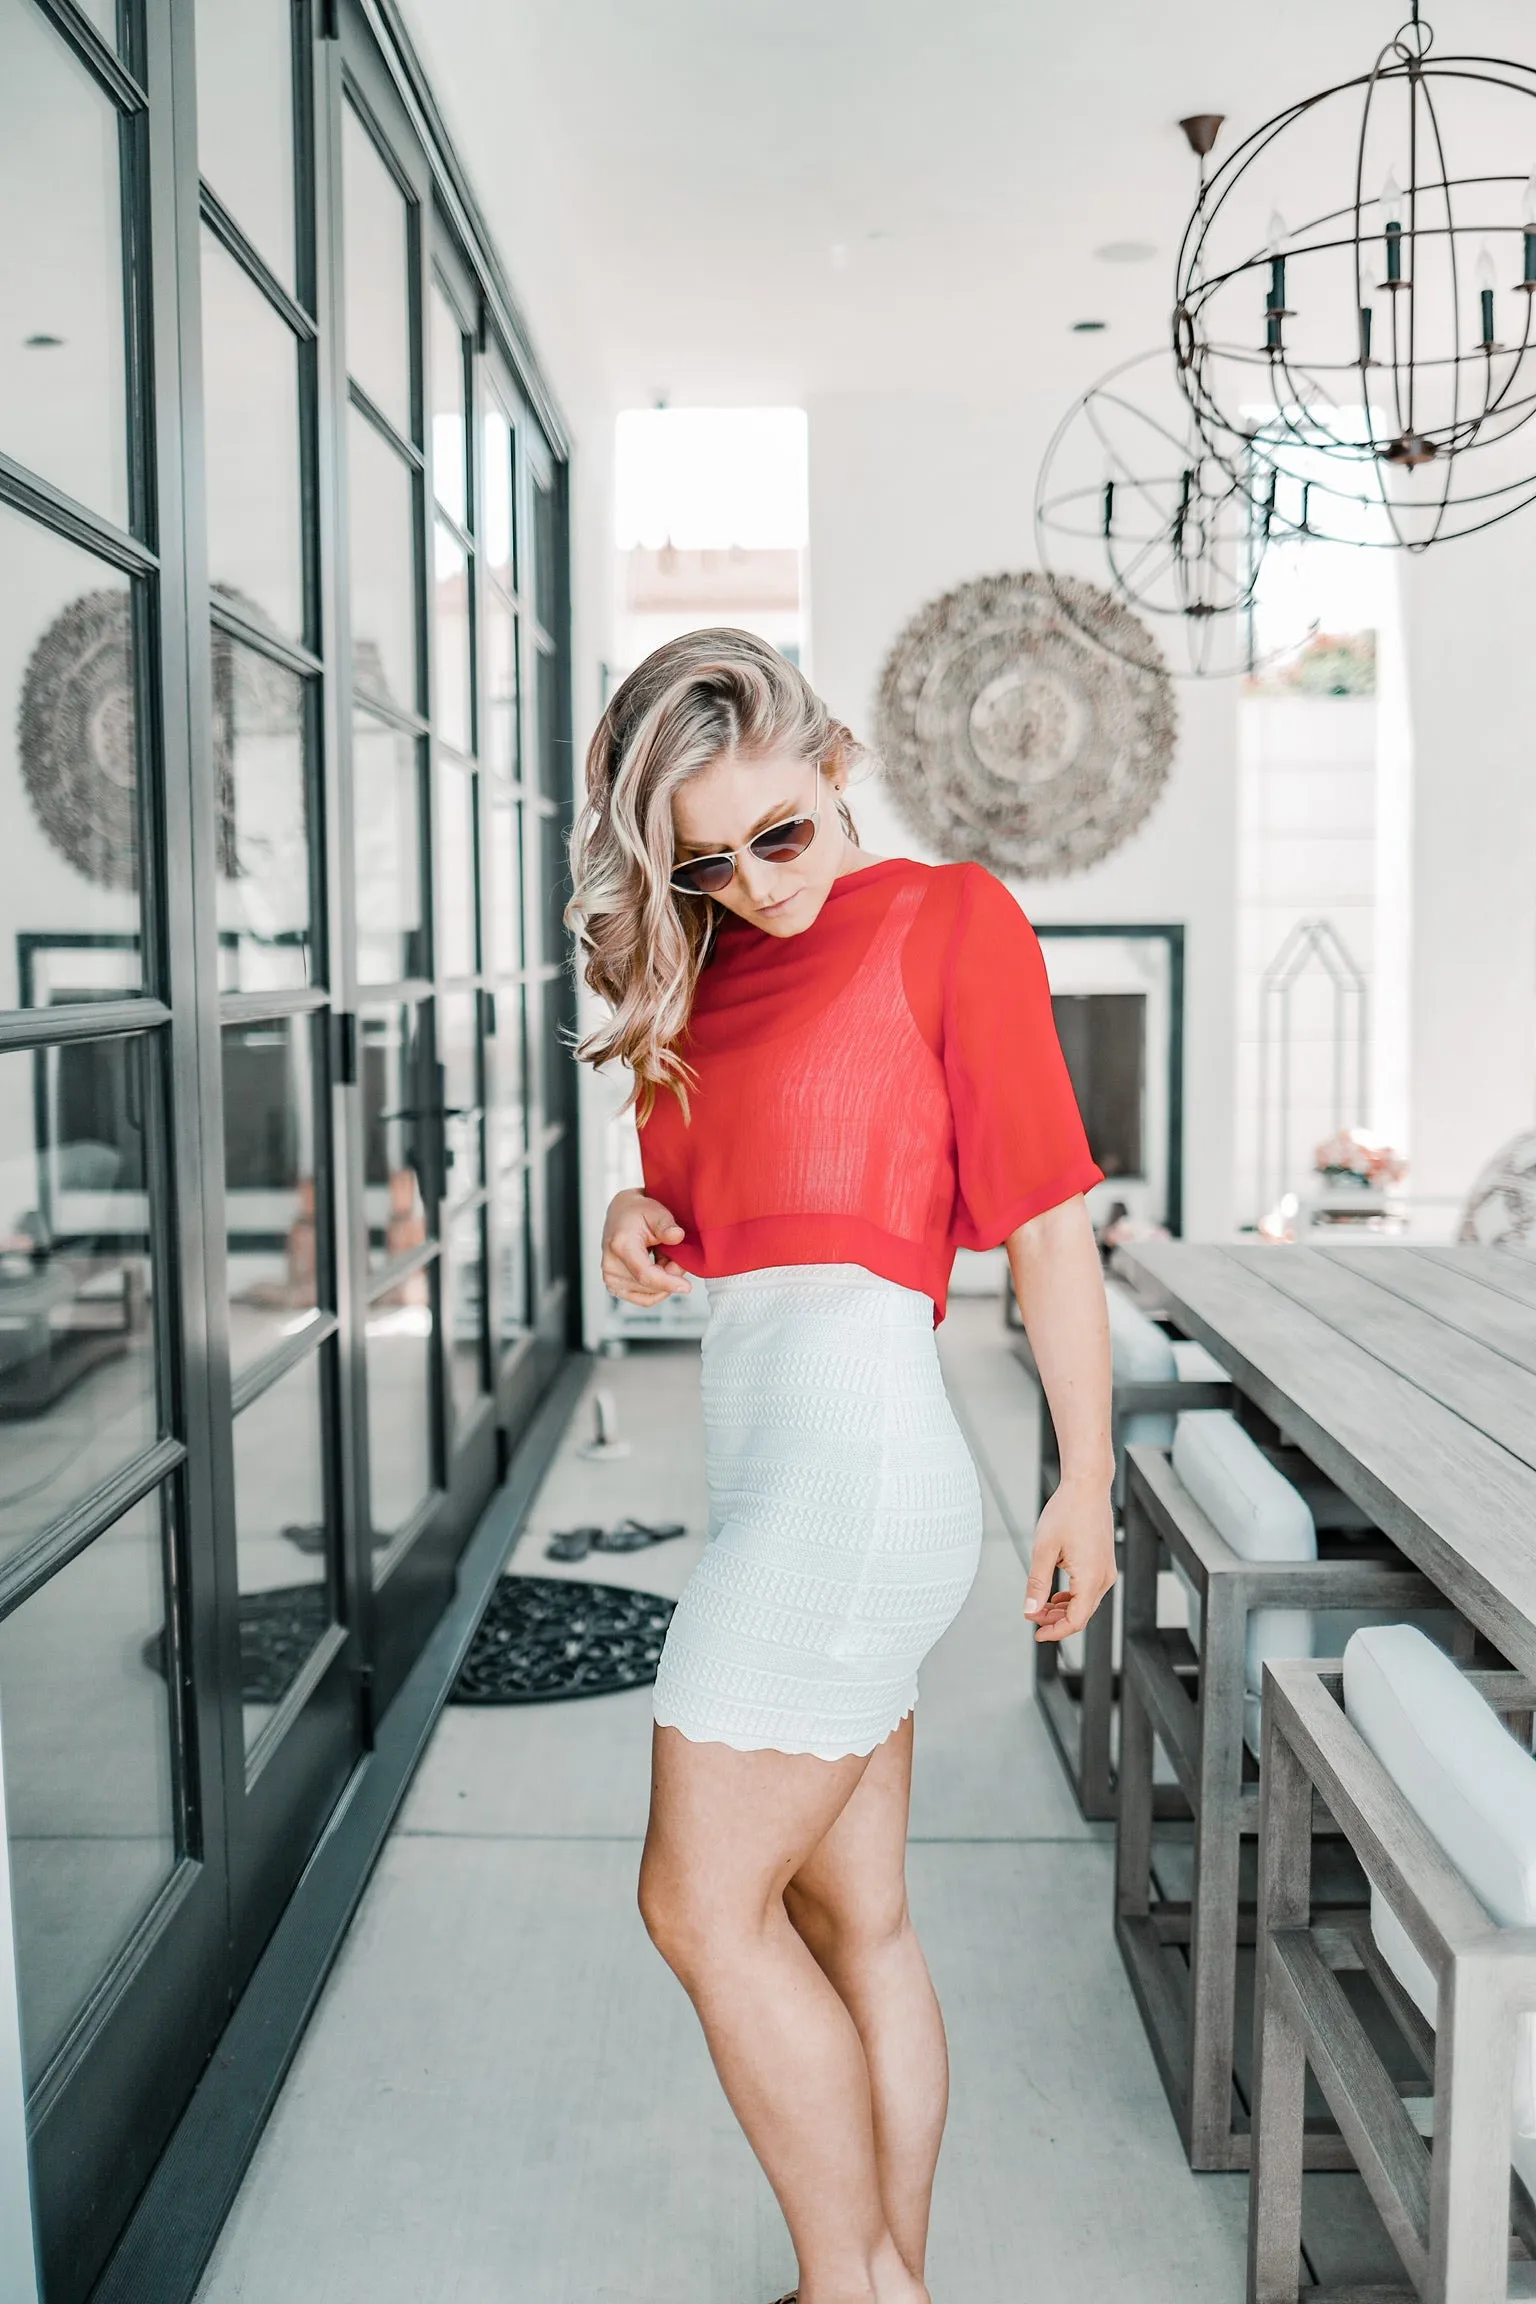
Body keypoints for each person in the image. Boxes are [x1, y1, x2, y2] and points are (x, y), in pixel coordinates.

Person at [567, 628, 1115, 2304]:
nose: (755, 883)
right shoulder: (700, 971)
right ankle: (892, 2284)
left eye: (779, 834)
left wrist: (1085, 1478)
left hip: (859, 1484)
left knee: (693, 1905)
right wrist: (632, 1221)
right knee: (842, 1919)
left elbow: (1044, 1234)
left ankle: (849, 2289)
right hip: (779, 1468)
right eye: (707, 862)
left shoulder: (951, 921)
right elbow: (723, 1222)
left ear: (833, 760)